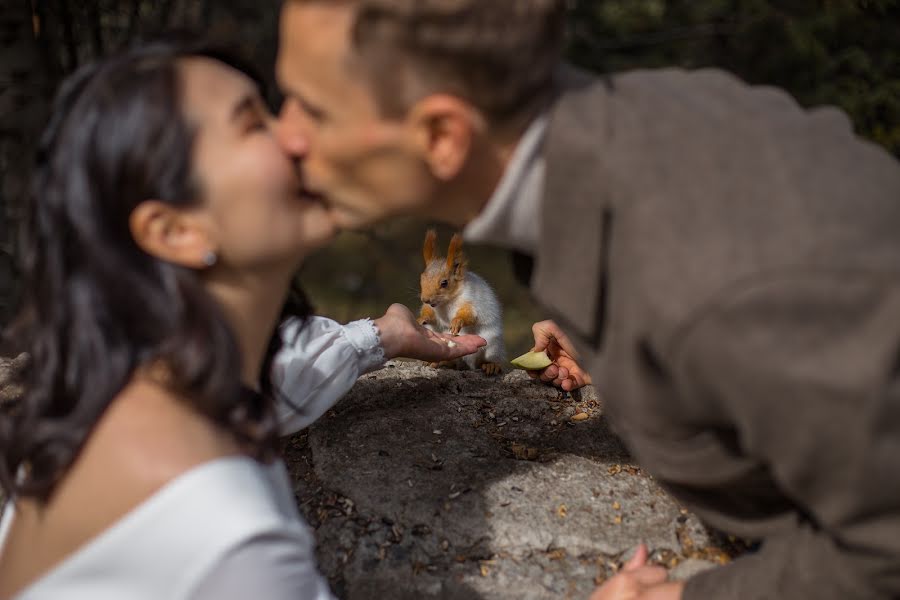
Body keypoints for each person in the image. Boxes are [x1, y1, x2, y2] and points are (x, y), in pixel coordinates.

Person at [273, 1, 900, 598]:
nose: (284, 136)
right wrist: (632, 354)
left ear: (442, 136)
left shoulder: (698, 282)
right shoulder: (647, 117)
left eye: (314, 109)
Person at [0, 38, 485, 600]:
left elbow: (278, 380)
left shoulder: (119, 398)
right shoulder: (231, 543)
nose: (299, 135)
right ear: (175, 230)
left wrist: (378, 337)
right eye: (254, 123)